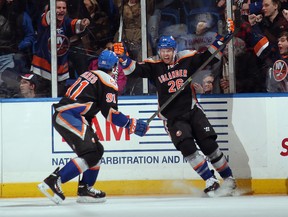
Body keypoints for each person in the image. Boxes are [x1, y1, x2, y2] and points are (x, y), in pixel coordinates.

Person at [113, 19, 237, 197]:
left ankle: (229, 179)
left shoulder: (186, 58)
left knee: (209, 145)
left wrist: (222, 38)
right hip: (172, 118)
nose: (166, 54)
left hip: (192, 110)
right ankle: (210, 180)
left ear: (174, 50)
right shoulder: (154, 65)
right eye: (163, 50)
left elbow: (209, 56)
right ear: (159, 51)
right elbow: (134, 70)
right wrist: (123, 58)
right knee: (187, 147)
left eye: (169, 50)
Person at [38, 49, 149, 204]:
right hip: (70, 116)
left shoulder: (89, 74)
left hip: (68, 114)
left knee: (97, 150)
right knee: (90, 153)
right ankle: (54, 180)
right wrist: (132, 124)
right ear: (115, 67)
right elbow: (110, 114)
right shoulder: (108, 81)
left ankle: (85, 189)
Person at [30, 0, 90, 97]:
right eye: (58, 8)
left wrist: (82, 23)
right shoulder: (44, 19)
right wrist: (50, 10)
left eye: (64, 8)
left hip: (60, 70)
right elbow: (46, 18)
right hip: (42, 69)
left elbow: (74, 23)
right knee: (41, 99)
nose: (61, 10)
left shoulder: (65, 21)